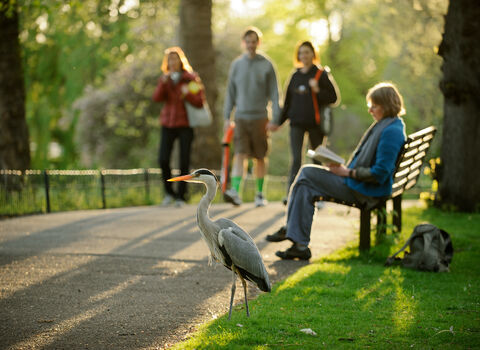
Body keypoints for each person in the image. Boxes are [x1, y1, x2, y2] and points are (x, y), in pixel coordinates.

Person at [266, 82, 407, 260]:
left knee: (307, 173)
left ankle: (292, 231)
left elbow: (380, 173)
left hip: (364, 190)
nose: (370, 110)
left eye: (374, 106)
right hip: (358, 184)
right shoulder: (390, 124)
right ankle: (299, 245)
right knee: (305, 185)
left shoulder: (390, 132)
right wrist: (339, 168)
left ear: (387, 106)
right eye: (370, 105)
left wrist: (347, 173)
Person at [269, 41, 339, 206]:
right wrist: (278, 123)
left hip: (316, 124)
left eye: (307, 52)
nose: (304, 56)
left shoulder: (320, 75)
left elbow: (334, 98)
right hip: (296, 124)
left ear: (313, 54)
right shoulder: (295, 76)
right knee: (296, 161)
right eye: (301, 53)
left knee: (316, 160)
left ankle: (320, 195)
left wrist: (317, 91)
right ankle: (291, 194)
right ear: (298, 56)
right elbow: (287, 104)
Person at [223, 26, 281, 207]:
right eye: (247, 42)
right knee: (239, 153)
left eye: (254, 41)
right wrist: (227, 117)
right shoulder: (237, 65)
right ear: (243, 43)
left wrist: (276, 118)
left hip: (260, 118)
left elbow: (275, 93)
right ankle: (236, 192)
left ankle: (260, 194)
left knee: (260, 156)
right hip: (241, 117)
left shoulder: (267, 64)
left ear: (258, 43)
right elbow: (230, 93)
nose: (250, 45)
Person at [152, 46, 205, 207]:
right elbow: (156, 98)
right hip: (168, 123)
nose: (172, 62)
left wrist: (187, 93)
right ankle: (169, 193)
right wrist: (163, 83)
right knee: (163, 159)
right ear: (166, 63)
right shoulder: (165, 79)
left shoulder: (190, 79)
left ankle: (182, 196)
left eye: (174, 59)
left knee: (184, 160)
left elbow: (199, 101)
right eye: (169, 59)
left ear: (180, 61)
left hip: (185, 124)